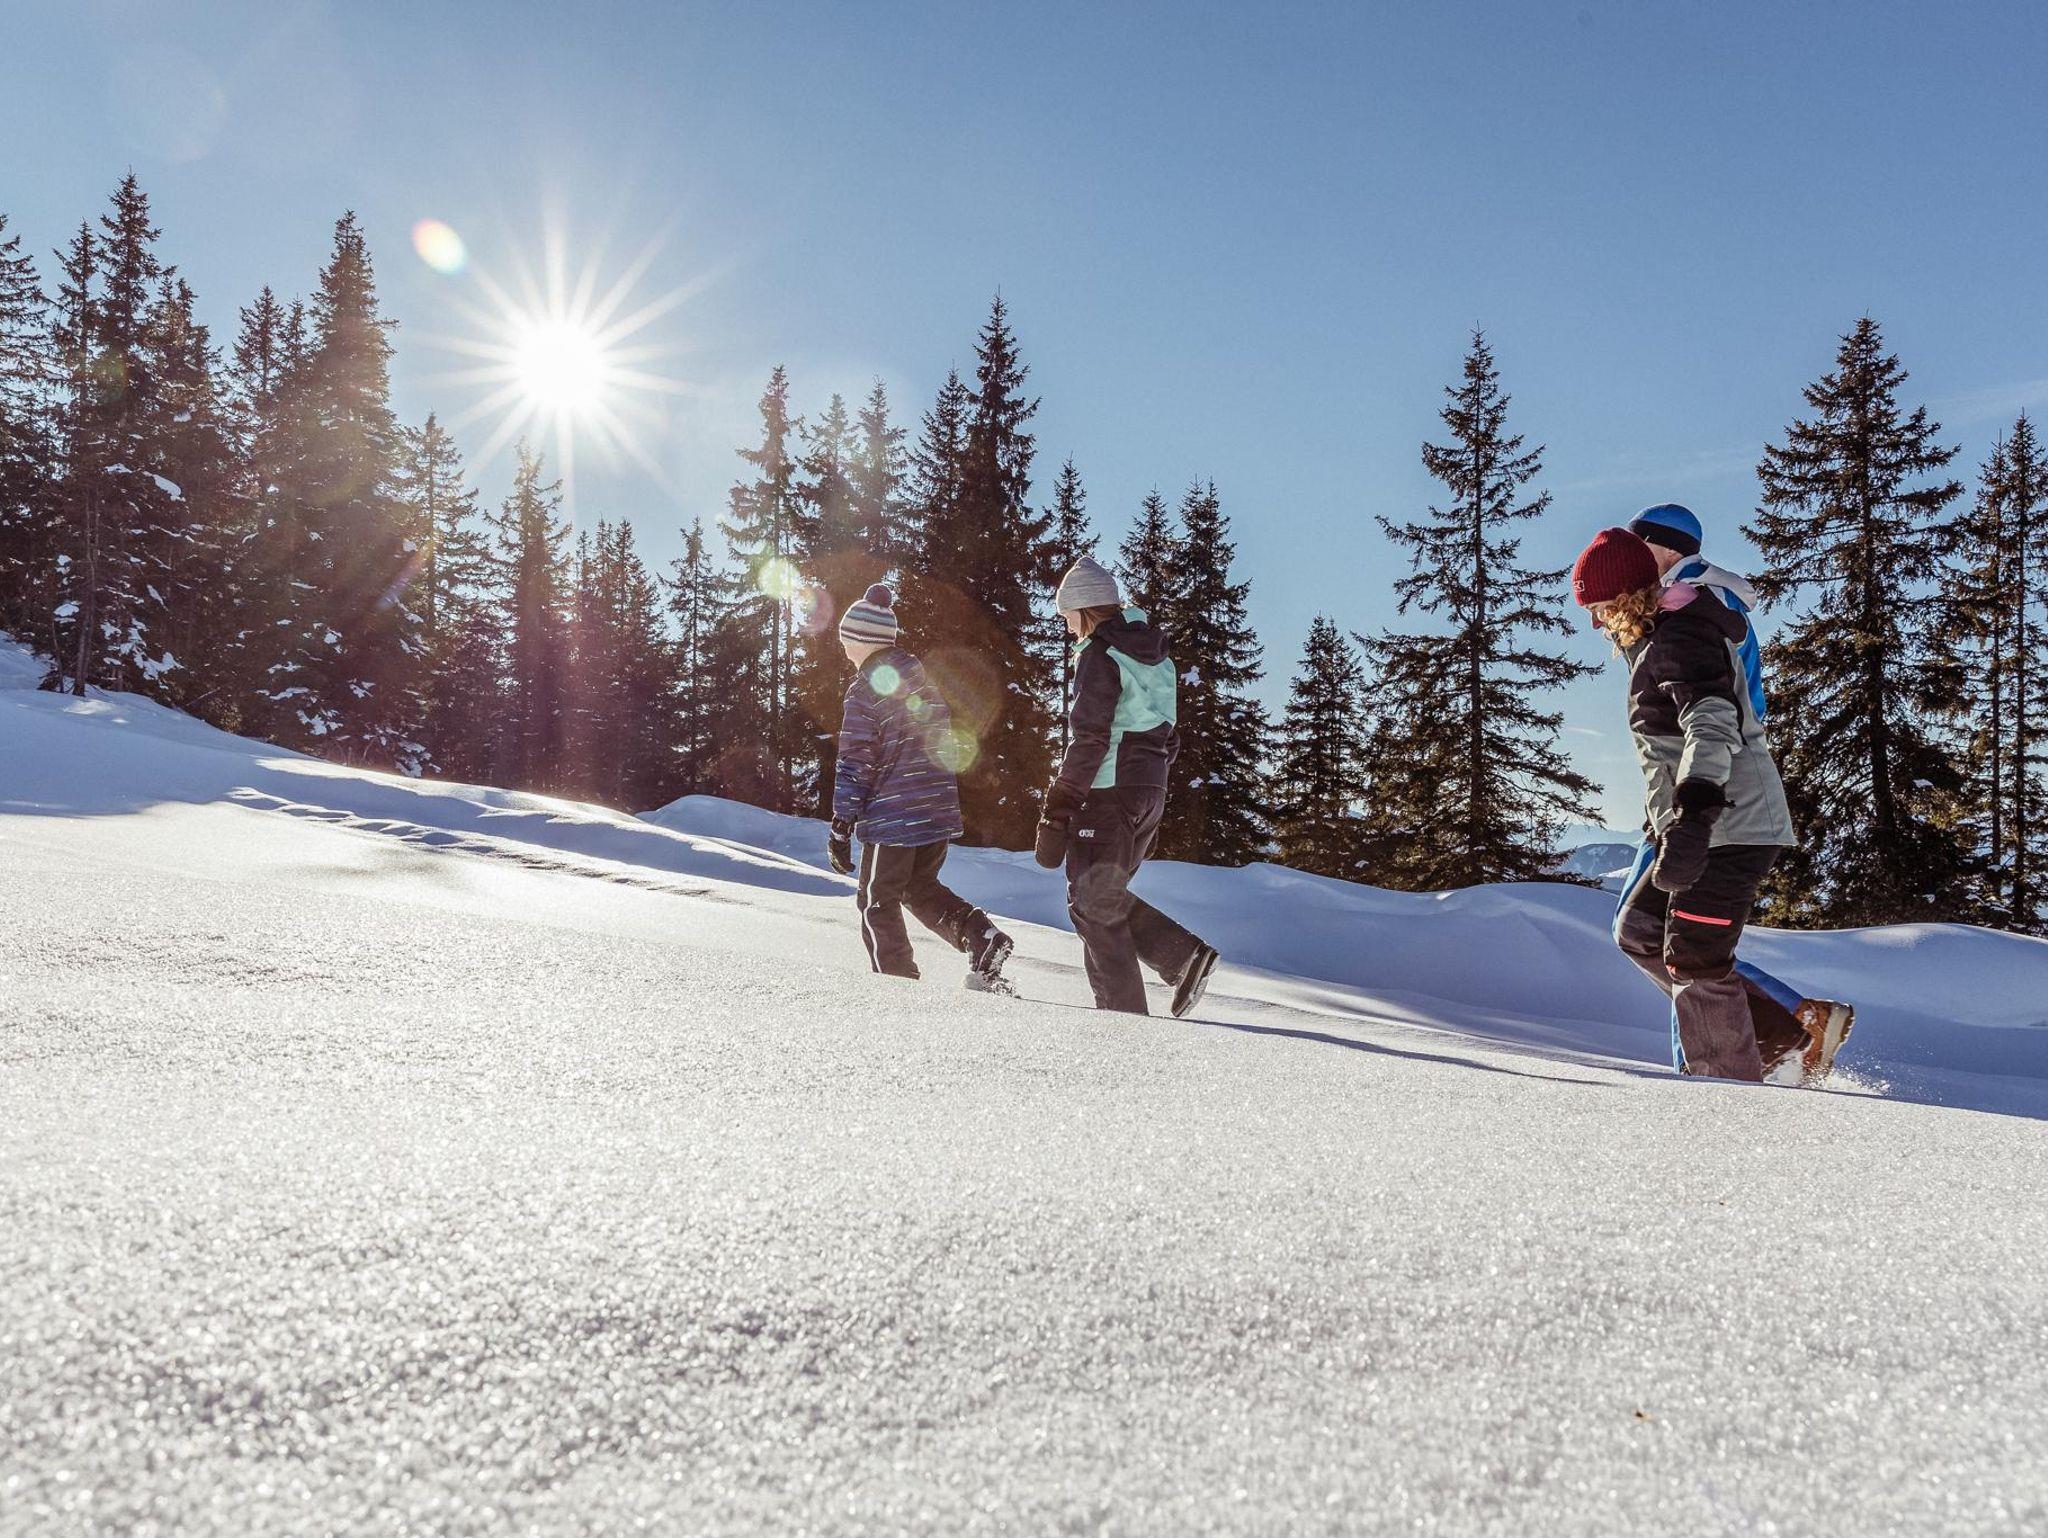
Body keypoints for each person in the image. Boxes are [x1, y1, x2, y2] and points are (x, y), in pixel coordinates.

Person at [1571, 526, 1844, 1083]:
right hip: (1696, 822)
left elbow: (1712, 724)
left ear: (1628, 595)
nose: (1596, 622)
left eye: (1600, 607)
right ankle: (1782, 1040)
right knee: (1639, 930)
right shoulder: (1659, 636)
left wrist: (1694, 817)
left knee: (1695, 955)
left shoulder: (1681, 637)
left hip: (1730, 823)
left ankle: (1728, 1093)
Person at [1035, 555, 1219, 1017]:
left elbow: (1090, 739)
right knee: (1102, 898)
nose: (1067, 626)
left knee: (1092, 904)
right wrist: (1148, 795)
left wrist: (1058, 806)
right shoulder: (1156, 658)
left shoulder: (1099, 654)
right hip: (1148, 790)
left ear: (1085, 609)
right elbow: (1170, 736)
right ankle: (1181, 958)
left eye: (1068, 616)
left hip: (1109, 790)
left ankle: (1124, 1024)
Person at [828, 584, 1014, 990]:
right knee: (918, 887)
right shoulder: (921, 681)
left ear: (862, 642)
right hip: (935, 808)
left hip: (893, 816)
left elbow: (856, 759)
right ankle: (980, 936)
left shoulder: (864, 689)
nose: (843, 649)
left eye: (846, 641)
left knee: (876, 901)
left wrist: (841, 823)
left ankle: (898, 989)